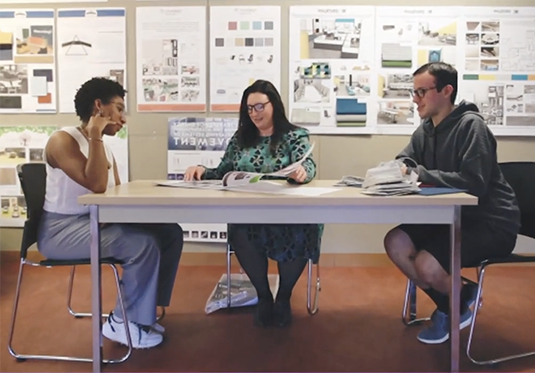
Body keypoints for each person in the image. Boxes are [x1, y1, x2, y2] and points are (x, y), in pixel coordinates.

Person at [37, 77, 184, 349]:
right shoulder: (62, 140)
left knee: (170, 232)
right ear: (98, 107)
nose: (123, 118)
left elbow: (114, 195)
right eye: (118, 108)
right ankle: (121, 321)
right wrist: (94, 134)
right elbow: (97, 185)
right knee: (142, 244)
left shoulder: (103, 147)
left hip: (95, 223)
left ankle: (143, 313)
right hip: (62, 231)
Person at [383, 62, 521, 344]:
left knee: (427, 265)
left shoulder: (472, 126)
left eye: (421, 92)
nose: (415, 99)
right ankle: (458, 298)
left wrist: (420, 173)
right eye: (414, 91)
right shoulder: (426, 129)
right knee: (395, 241)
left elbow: (474, 182)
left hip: (490, 223)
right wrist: (402, 167)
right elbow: (407, 158)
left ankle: (453, 304)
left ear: (447, 91)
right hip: (452, 217)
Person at [184, 79, 323, 328]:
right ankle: (263, 296)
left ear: (274, 105)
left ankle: (284, 296)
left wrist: (302, 172)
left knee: (305, 229)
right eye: (249, 109)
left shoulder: (294, 135)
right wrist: (202, 170)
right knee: (241, 230)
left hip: (289, 213)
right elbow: (224, 171)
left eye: (259, 107)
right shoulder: (241, 139)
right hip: (250, 213)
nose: (254, 114)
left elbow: (308, 165)